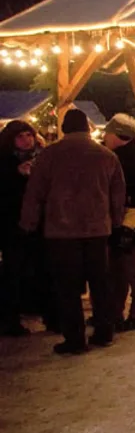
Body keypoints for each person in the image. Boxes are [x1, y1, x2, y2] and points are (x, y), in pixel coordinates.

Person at [19, 108, 125, 355]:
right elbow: (117, 195)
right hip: (98, 229)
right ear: (88, 129)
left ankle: (75, 339)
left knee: (67, 287)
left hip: (61, 230)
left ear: (64, 129)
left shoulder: (49, 155)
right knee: (100, 283)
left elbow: (34, 193)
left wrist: (28, 224)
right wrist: (116, 222)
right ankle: (104, 332)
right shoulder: (107, 156)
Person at [102, 114, 135, 332]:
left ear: (118, 136)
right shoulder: (124, 158)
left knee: (134, 271)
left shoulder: (134, 162)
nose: (105, 137)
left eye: (108, 133)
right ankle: (115, 312)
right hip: (126, 224)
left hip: (134, 226)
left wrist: (127, 226)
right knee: (118, 271)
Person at [0, 120, 40, 336]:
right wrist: (18, 176)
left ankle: (34, 306)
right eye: (21, 137)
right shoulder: (5, 162)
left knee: (38, 267)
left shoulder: (40, 157)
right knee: (13, 270)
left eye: (29, 135)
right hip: (11, 226)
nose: (27, 140)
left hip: (37, 224)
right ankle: (10, 318)